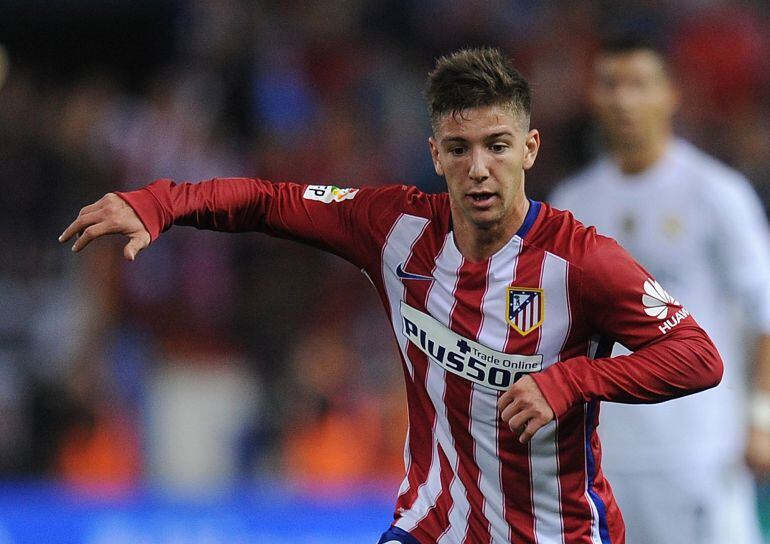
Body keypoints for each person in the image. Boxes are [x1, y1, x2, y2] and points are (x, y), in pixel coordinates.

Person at [60, 47, 723, 544]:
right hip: (431, 523)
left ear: (530, 147)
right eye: (459, 149)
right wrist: (159, 203)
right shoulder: (394, 228)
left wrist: (572, 381)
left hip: (555, 532)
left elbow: (698, 357)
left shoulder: (581, 261)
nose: (479, 168)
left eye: (497, 146)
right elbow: (267, 200)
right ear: (435, 153)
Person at [550, 36, 770, 544]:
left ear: (671, 94)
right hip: (605, 456)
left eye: (638, 84)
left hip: (700, 450)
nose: (624, 100)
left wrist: (760, 419)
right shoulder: (574, 203)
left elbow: (763, 311)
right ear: (593, 97)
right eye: (610, 84)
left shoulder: (716, 194)